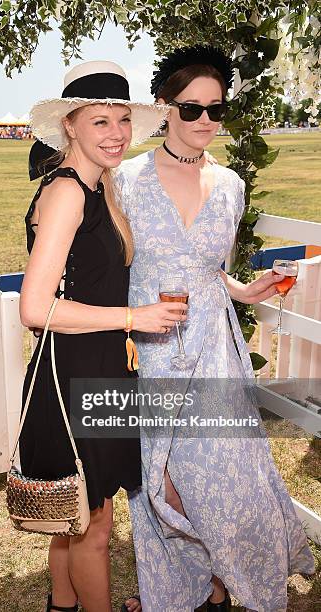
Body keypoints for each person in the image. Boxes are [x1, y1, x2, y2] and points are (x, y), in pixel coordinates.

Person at [116, 46, 315, 612]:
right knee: (163, 479)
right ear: (164, 107)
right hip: (151, 347)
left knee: (224, 469)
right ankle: (189, 580)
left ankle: (230, 580)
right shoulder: (126, 179)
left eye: (216, 110)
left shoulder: (229, 185)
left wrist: (247, 291)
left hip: (213, 345)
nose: (205, 120)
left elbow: (211, 272)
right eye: (191, 108)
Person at [18, 60, 186, 612]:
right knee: (92, 524)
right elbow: (35, 308)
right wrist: (132, 319)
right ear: (71, 125)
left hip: (97, 365)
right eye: (100, 122)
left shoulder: (99, 188)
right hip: (71, 374)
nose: (115, 134)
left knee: (75, 515)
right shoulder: (68, 193)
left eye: (121, 121)